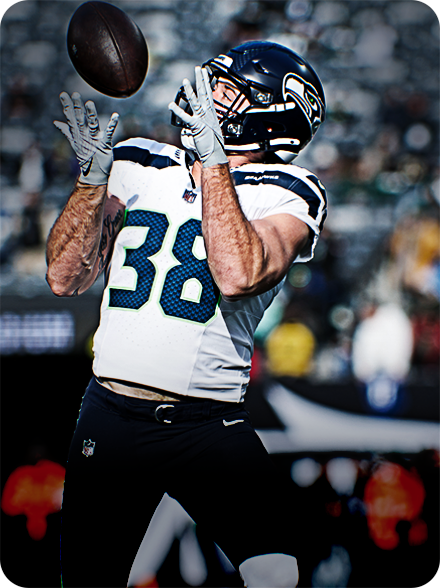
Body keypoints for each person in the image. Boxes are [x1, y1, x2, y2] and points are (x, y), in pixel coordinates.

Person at [46, 40, 327, 588]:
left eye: (228, 92)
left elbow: (238, 273)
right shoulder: (138, 158)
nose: (208, 97)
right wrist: (90, 184)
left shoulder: (291, 191)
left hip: (207, 424)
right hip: (112, 413)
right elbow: (64, 277)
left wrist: (213, 165)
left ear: (274, 116)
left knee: (277, 572)